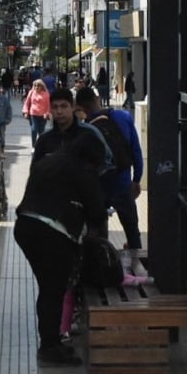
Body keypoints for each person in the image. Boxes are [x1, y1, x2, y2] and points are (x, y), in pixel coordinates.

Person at [15, 133, 106, 366]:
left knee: (48, 289)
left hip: (25, 225)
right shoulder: (82, 168)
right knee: (52, 291)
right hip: (51, 232)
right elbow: (97, 210)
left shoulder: (50, 161)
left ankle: (51, 342)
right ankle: (49, 348)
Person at [75, 86, 144, 272]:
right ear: (97, 99)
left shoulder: (85, 128)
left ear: (81, 108)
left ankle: (102, 268)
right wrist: (136, 179)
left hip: (98, 187)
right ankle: (137, 269)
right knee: (131, 228)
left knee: (97, 228)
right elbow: (136, 151)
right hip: (123, 183)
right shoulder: (123, 117)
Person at [23, 79, 51, 146]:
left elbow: (48, 105)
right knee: (34, 129)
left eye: (38, 85)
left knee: (41, 132)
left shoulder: (46, 94)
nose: (36, 87)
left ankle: (40, 145)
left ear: (42, 86)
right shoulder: (31, 92)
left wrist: (47, 113)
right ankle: (34, 145)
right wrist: (26, 112)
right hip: (33, 114)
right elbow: (27, 103)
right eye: (35, 85)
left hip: (42, 115)